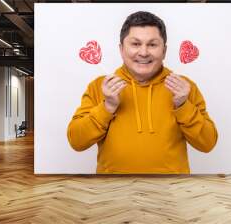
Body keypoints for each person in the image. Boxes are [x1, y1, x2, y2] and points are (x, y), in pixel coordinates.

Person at [67, 11, 218, 174]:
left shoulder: (184, 88)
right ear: (121, 49)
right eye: (136, 44)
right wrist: (107, 106)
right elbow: (76, 141)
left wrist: (183, 105)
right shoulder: (100, 86)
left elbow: (207, 144)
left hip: (171, 190)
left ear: (164, 50)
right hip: (112, 189)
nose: (144, 52)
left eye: (152, 44)